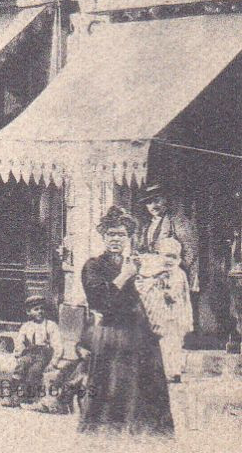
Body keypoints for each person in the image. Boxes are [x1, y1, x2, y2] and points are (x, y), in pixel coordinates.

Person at [79, 206, 174, 436]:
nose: (115, 239)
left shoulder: (136, 263)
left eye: (121, 234)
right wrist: (125, 275)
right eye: (111, 234)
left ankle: (145, 431)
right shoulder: (93, 265)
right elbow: (99, 300)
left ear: (128, 237)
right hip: (111, 332)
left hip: (139, 331)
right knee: (111, 384)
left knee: (144, 382)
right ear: (103, 236)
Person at [141, 184, 199, 332]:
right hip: (156, 276)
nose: (153, 205)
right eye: (149, 202)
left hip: (176, 275)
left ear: (165, 199)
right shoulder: (148, 226)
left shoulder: (177, 221)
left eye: (157, 200)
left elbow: (190, 250)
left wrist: (177, 270)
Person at [136, 235, 193, 382]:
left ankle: (174, 371)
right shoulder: (155, 273)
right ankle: (159, 369)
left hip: (174, 316)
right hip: (160, 315)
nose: (169, 261)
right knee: (159, 343)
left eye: (173, 257)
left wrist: (166, 289)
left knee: (173, 343)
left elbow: (176, 294)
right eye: (165, 256)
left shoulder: (179, 274)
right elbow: (145, 290)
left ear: (178, 259)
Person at [6, 297, 62, 407]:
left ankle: (27, 398)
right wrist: (18, 354)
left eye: (42, 308)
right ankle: (12, 397)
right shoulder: (26, 326)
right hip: (29, 353)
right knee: (20, 367)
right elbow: (20, 342)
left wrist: (54, 361)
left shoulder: (50, 325)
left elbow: (57, 345)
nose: (40, 311)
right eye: (36, 309)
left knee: (34, 371)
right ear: (29, 312)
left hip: (43, 354)